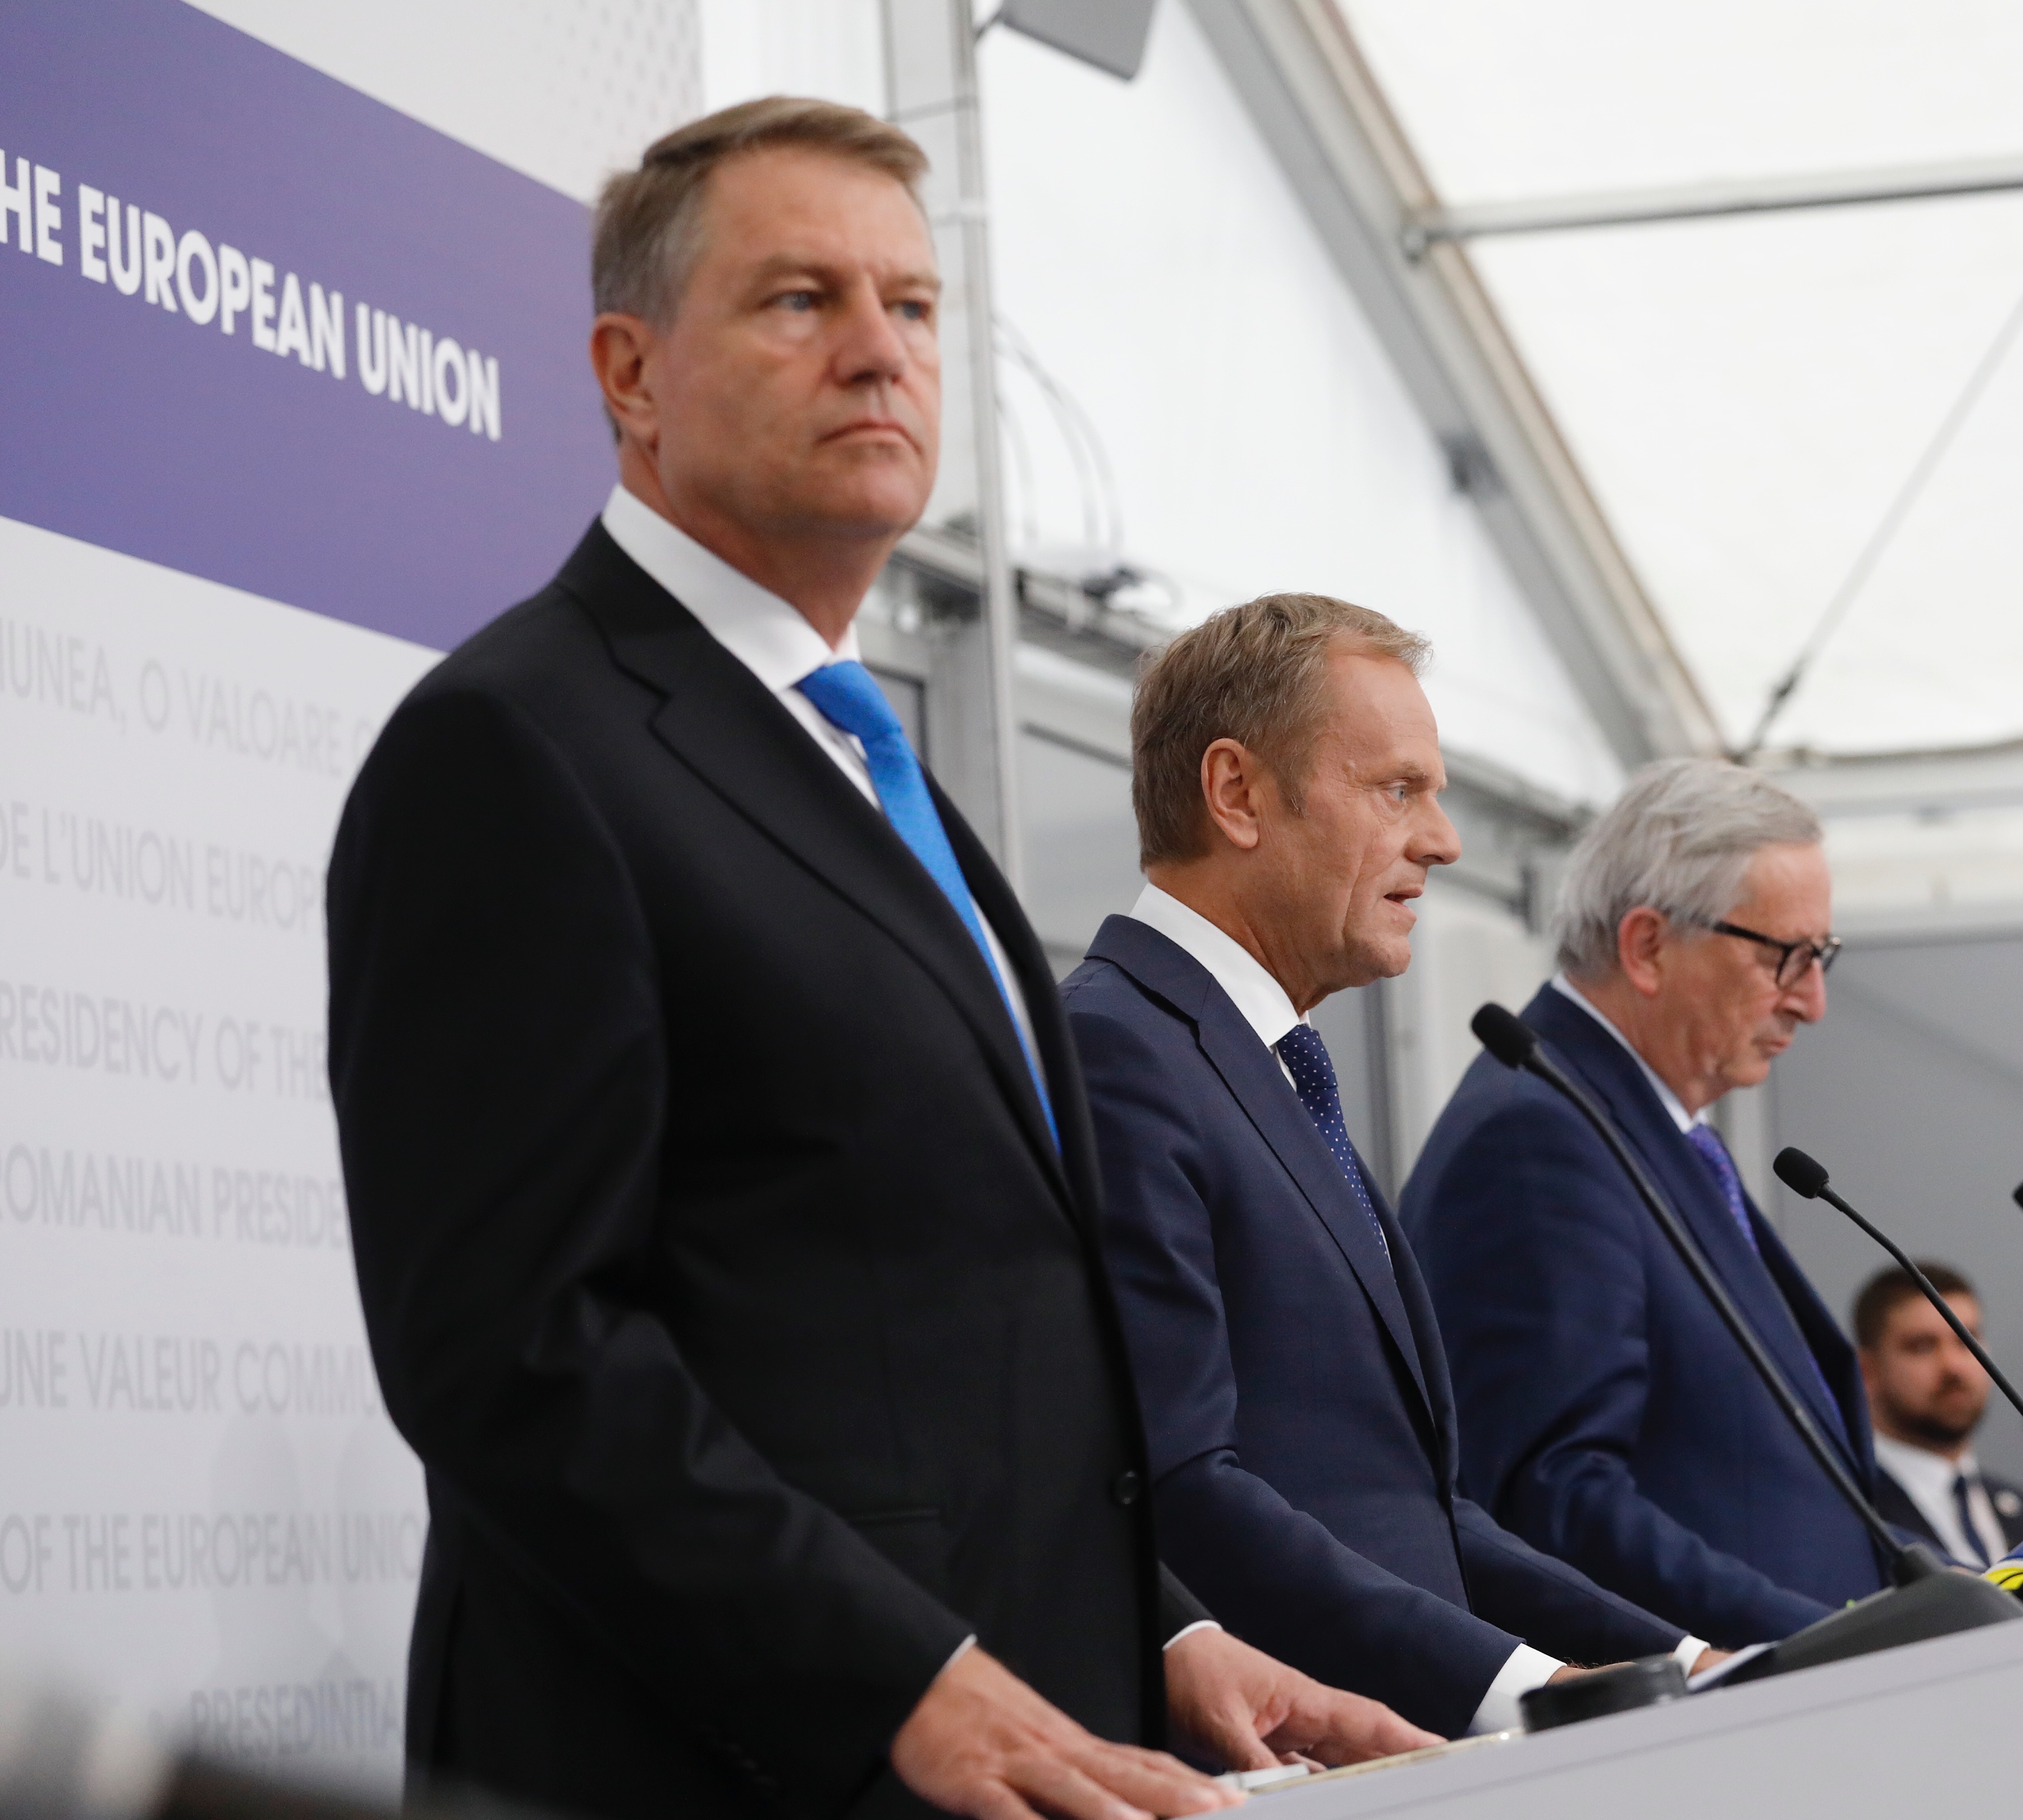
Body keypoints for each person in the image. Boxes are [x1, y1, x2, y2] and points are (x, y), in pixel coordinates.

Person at [327, 99, 1425, 1820]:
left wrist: (1157, 1628)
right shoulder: (516, 748)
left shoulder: (862, 764)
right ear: (631, 375)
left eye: (911, 308)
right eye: (798, 302)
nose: (876, 353)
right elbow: (513, 1355)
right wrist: (897, 1678)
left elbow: (935, 1337)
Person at [1061, 596, 1713, 1741]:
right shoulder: (1119, 1050)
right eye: (1396, 789)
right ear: (1237, 793)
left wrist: (1675, 1659)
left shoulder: (1264, 1064)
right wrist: (1521, 1690)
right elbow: (1178, 1485)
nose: (1442, 841)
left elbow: (1418, 1516)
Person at [1401, 758, 1883, 1649]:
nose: (1811, 1002)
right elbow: (1552, 1499)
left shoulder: (1648, 1127)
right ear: (1648, 946)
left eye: (1821, 957)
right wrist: (1818, 1643)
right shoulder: (1536, 1140)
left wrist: (1953, 1592)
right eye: (1785, 956)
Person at [1853, 1264, 2023, 1569]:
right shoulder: (1845, 1514)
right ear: (1867, 1371)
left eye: (1967, 1341)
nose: (1953, 1366)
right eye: (1922, 1347)